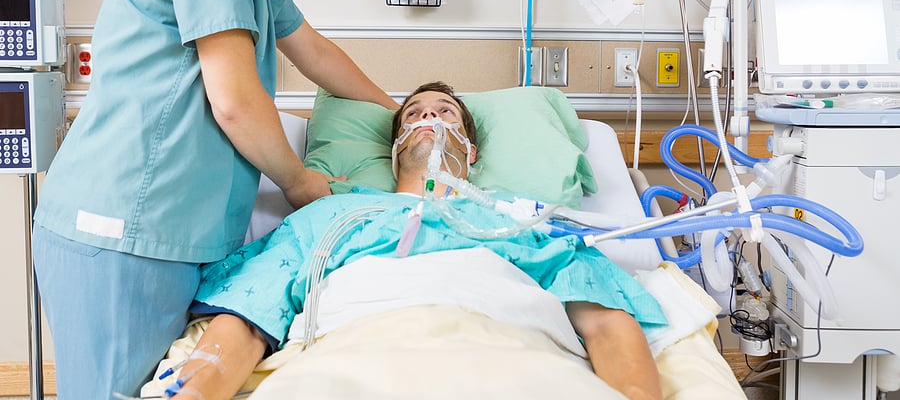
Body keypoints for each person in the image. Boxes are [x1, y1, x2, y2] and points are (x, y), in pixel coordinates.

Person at [31, 0, 398, 398]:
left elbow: (315, 51)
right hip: (123, 225)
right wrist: (300, 181)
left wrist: (399, 116)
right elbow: (232, 99)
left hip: (165, 234)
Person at [156, 82, 667, 400]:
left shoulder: (518, 220)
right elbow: (250, 314)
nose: (429, 118)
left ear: (472, 152)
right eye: (414, 114)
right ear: (396, 145)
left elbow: (604, 321)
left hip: (509, 353)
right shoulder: (333, 214)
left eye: (445, 113)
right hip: (354, 355)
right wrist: (201, 386)